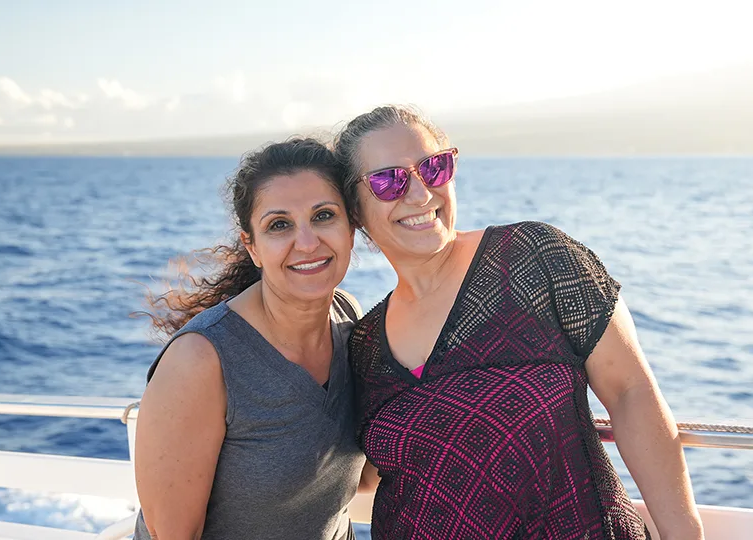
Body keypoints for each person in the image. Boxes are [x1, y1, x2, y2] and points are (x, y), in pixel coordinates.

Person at [333, 106, 705, 540]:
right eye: (388, 180)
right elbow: (362, 475)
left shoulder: (534, 258)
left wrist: (684, 532)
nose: (419, 194)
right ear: (354, 210)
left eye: (434, 168)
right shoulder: (364, 345)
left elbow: (630, 393)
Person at [132, 138, 369, 540]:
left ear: (351, 228)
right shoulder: (201, 360)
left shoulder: (349, 319)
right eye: (280, 225)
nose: (307, 242)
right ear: (252, 247)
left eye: (324, 215)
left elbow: (356, 483)